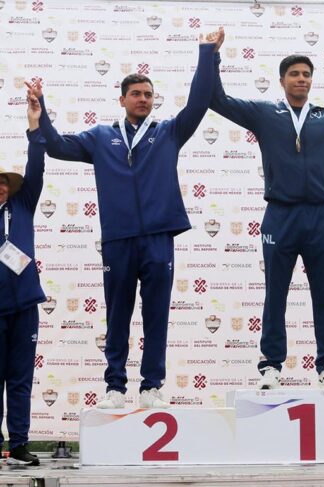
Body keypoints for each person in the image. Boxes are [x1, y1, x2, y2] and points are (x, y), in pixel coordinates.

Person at [27, 31, 222, 409]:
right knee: (117, 316)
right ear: (122, 99)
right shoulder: (101, 137)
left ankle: (151, 386)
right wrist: (41, 110)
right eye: (136, 94)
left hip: (158, 237)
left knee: (156, 315)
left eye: (148, 94)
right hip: (118, 238)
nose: (143, 99)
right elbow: (57, 146)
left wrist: (206, 53)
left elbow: (199, 101)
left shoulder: (168, 133)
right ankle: (115, 386)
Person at [207, 28, 324, 389]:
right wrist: (212, 55)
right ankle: (271, 365)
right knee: (275, 293)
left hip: (321, 216)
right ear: (282, 81)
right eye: (294, 74)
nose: (301, 79)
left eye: (306, 74)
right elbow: (217, 99)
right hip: (280, 215)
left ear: (312, 80)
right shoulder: (264, 113)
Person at [0, 92, 46, 465]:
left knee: (20, 379)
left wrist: (34, 124)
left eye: (4, 181)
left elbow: (36, 164)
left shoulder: (23, 203)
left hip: (25, 305)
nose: (0, 186)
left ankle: (18, 444)